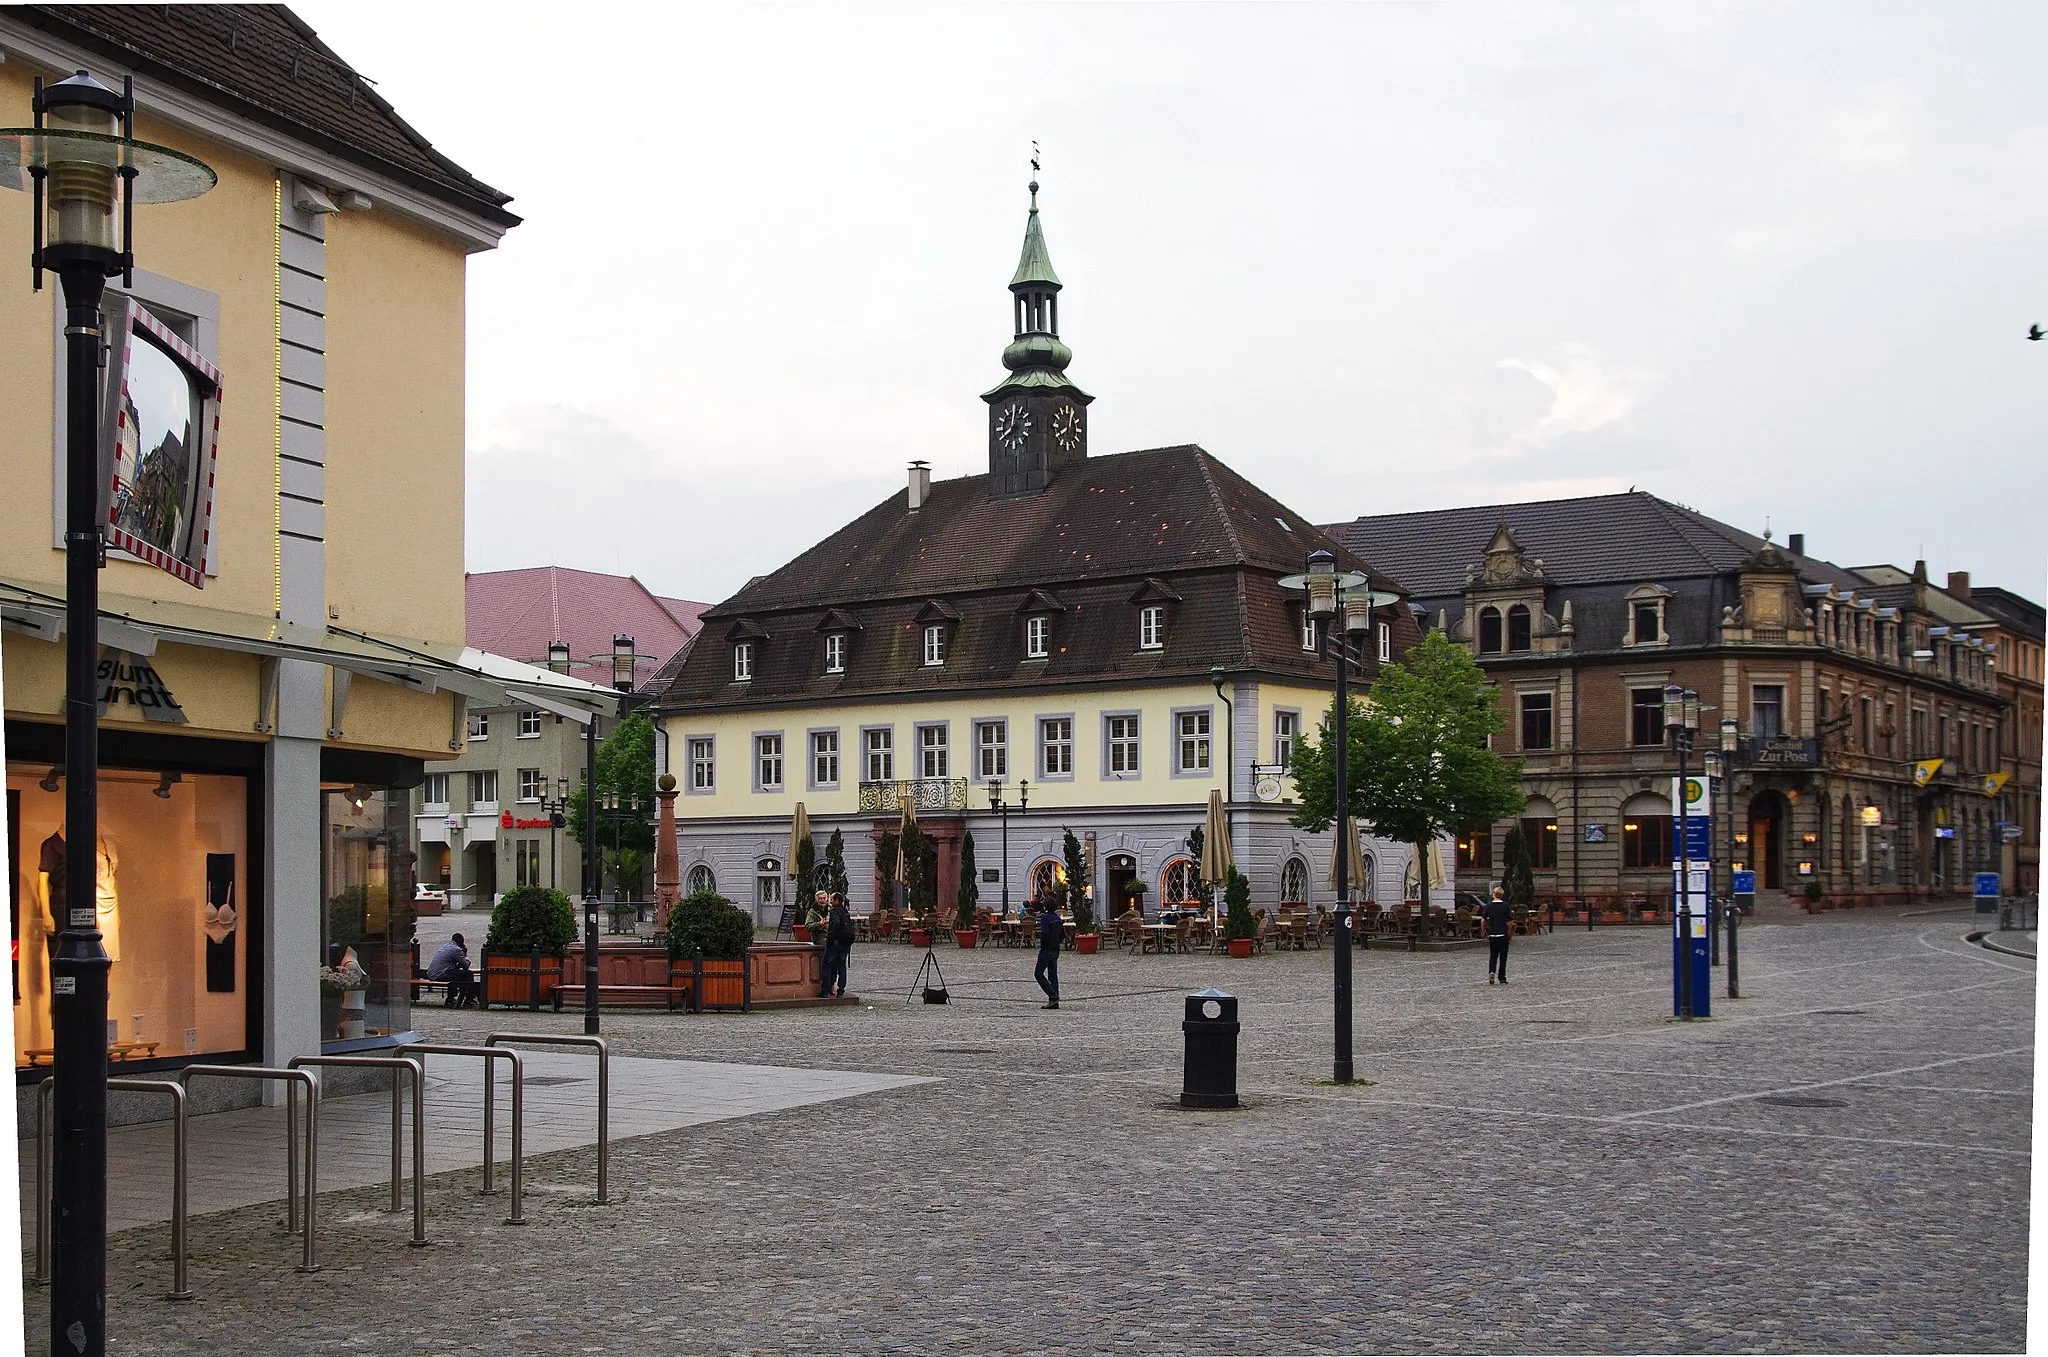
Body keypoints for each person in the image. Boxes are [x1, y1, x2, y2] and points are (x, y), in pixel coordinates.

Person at [426, 931, 479, 1007]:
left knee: (458, 975)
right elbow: (466, 965)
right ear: (461, 942)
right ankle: (469, 999)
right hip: (440, 974)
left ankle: (452, 998)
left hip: (432, 973)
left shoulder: (445, 946)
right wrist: (465, 954)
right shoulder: (456, 949)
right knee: (467, 974)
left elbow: (452, 966)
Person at [820, 891, 854, 998]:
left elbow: (836, 924)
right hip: (845, 944)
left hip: (835, 943)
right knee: (842, 967)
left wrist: (831, 937)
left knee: (827, 965)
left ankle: (825, 990)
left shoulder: (835, 911)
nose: (830, 902)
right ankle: (841, 990)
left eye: (832, 900)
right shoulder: (845, 911)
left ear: (837, 901)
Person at [1035, 895, 1064, 1009]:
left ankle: (1053, 996)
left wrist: (1043, 945)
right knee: (1052, 974)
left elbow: (1045, 933)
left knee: (1038, 973)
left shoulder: (1045, 918)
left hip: (1047, 949)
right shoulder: (1057, 918)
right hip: (1055, 948)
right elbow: (1062, 934)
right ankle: (1054, 1000)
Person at [1483, 885, 1512, 985]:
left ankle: (1492, 971)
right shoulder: (1506, 906)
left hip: (1493, 935)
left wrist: (1484, 931)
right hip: (1503, 935)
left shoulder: (1489, 906)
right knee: (1503, 957)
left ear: (1494, 894)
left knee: (1493, 956)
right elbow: (1510, 921)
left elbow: (1483, 920)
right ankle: (1502, 978)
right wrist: (1509, 932)